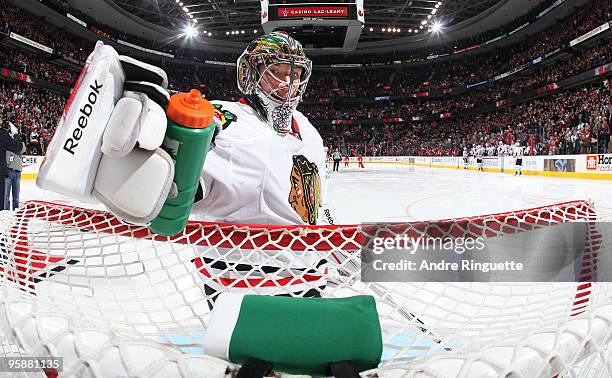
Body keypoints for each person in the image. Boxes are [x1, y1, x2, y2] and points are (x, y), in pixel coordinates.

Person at [0, 121, 23, 211]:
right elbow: (18, 147)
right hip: (4, 171)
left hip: (13, 172)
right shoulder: (3, 135)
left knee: (13, 196)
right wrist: (16, 135)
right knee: (4, 197)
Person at [5, 125, 25, 210]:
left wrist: (18, 139)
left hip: (18, 173)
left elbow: (23, 149)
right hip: (8, 172)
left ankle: (15, 212)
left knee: (16, 197)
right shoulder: (8, 144)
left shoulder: (20, 144)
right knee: (6, 196)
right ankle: (5, 212)